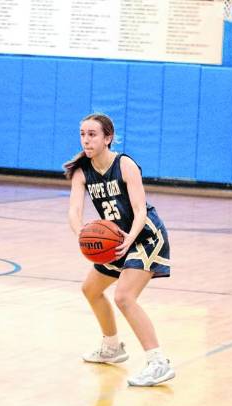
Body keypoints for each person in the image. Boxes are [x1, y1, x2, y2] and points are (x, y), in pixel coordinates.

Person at [64, 113, 175, 387]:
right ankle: (112, 346)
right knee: (90, 289)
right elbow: (74, 211)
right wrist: (81, 235)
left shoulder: (124, 165)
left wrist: (130, 238)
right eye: (83, 134)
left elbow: (140, 210)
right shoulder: (82, 172)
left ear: (107, 138)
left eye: (92, 134)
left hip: (145, 236)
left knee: (124, 297)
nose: (86, 140)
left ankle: (158, 362)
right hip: (116, 241)